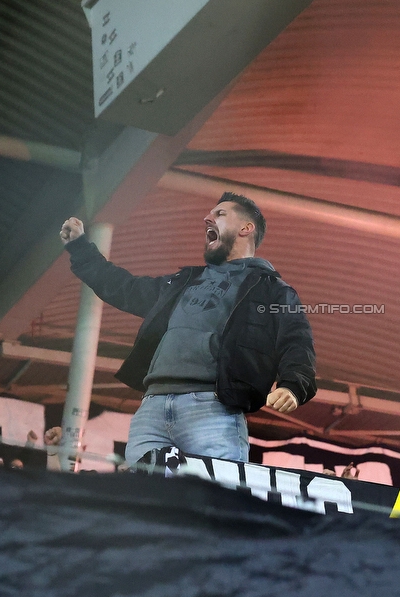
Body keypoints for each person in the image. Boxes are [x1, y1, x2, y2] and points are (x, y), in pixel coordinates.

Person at [60, 192, 316, 464]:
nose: (207, 217)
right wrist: (80, 248)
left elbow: (296, 341)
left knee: (213, 501)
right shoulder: (182, 282)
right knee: (141, 501)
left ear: (246, 228)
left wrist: (293, 386)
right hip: (152, 409)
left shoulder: (272, 290)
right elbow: (125, 288)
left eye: (220, 214)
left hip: (213, 410)